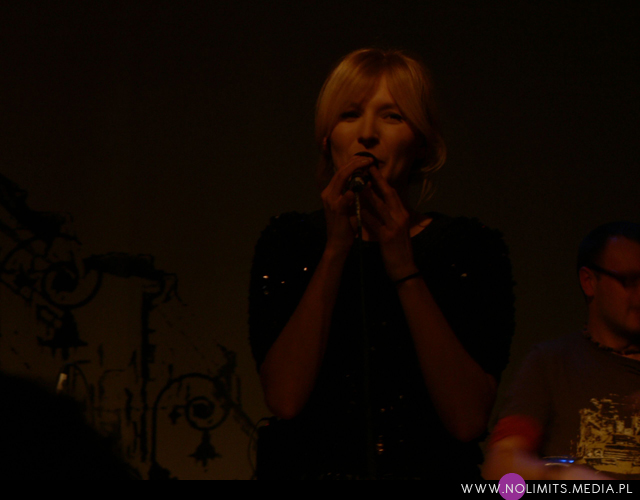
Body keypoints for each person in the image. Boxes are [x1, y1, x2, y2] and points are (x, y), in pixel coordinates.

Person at [249, 48, 515, 480]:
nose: (367, 134)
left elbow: (467, 420)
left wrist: (403, 265)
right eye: (350, 114)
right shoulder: (290, 240)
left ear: (421, 142)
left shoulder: (468, 246)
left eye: (392, 116)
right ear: (327, 139)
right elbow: (284, 399)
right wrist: (335, 249)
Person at [483, 221, 640, 481]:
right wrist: (564, 476)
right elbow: (501, 465)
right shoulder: (551, 363)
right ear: (589, 282)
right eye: (629, 281)